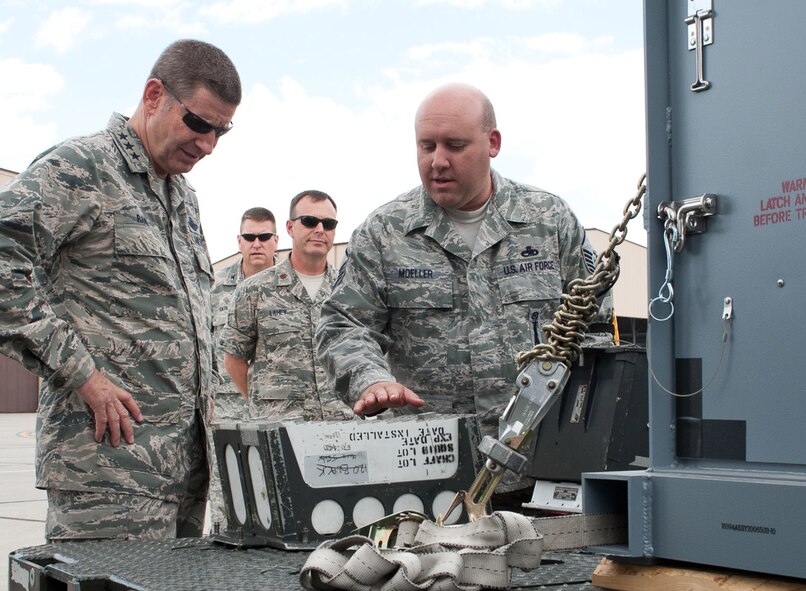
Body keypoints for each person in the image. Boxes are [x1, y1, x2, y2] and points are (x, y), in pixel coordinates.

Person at [316, 83, 613, 500]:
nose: (437, 161)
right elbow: (343, 325)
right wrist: (369, 379)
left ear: (492, 143)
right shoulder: (383, 233)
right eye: (426, 146)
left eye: (455, 145)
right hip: (426, 478)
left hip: (540, 472)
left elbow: (595, 333)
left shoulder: (550, 221)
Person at [0, 39, 241, 541]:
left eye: (222, 131)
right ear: (154, 95)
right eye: (198, 123)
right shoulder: (81, 168)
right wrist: (84, 376)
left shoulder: (182, 197)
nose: (208, 144)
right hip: (108, 474)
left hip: (183, 474)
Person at [221, 190, 353, 421]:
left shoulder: (348, 290)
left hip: (340, 425)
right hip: (282, 427)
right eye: (310, 221)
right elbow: (234, 358)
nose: (320, 230)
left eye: (328, 223)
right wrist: (261, 406)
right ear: (290, 228)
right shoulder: (255, 290)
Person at [208, 207, 278, 531]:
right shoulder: (214, 288)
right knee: (227, 499)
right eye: (250, 237)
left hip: (278, 410)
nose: (257, 244)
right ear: (239, 241)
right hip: (225, 410)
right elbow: (200, 345)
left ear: (277, 240)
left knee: (275, 496)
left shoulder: (289, 288)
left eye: (264, 237)